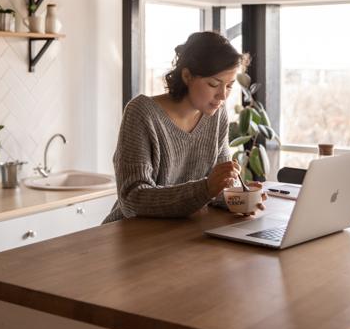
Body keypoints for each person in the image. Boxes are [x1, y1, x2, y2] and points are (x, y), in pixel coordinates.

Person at [103, 31, 264, 223]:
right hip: (129, 235)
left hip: (179, 234)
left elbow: (218, 187)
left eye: (229, 86)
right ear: (187, 76)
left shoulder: (216, 114)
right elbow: (132, 199)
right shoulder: (142, 113)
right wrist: (206, 188)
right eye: (214, 84)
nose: (222, 96)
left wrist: (239, 197)